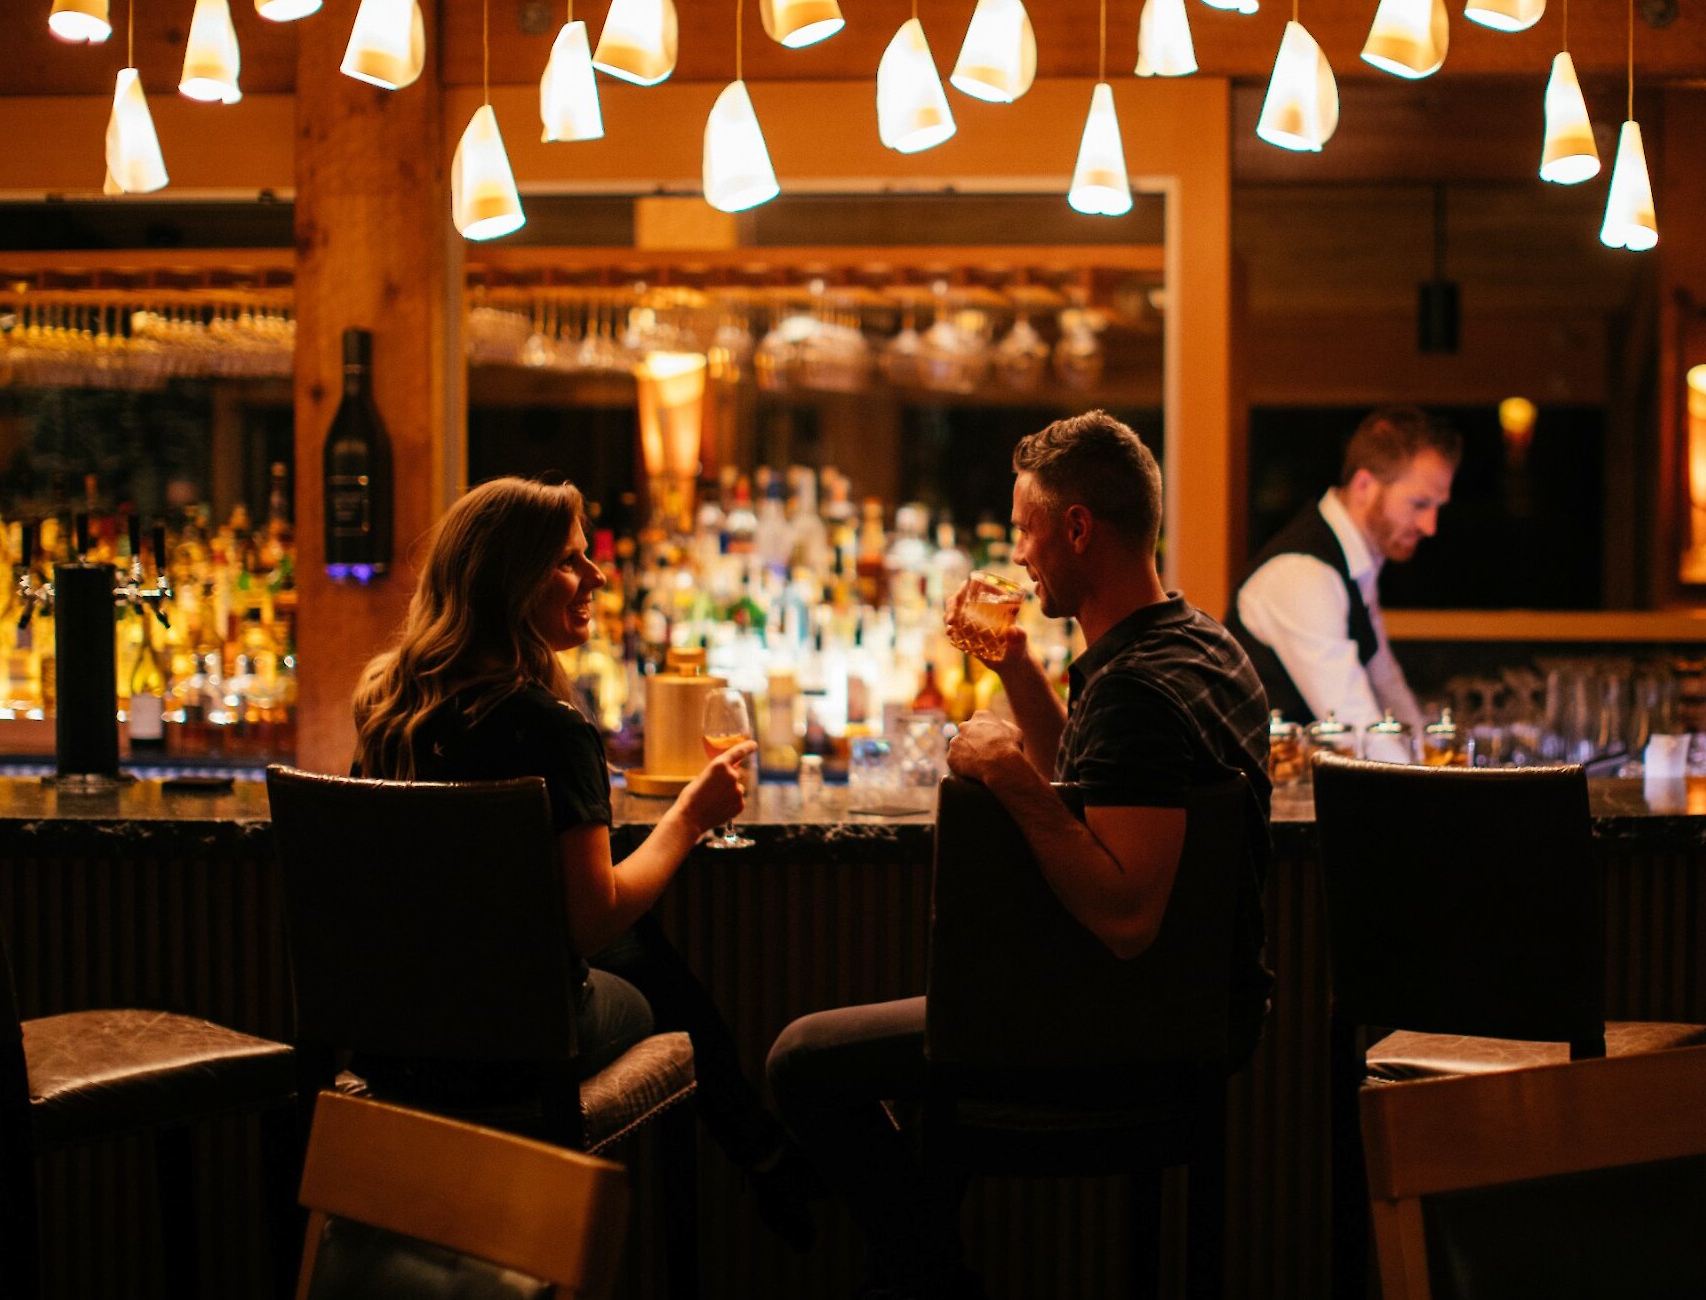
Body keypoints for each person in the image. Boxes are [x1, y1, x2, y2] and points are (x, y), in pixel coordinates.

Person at [766, 412, 1272, 1300]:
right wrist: (1018, 673)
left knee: (799, 1061)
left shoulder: (1138, 690)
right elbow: (1102, 789)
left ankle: (932, 1278)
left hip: (1131, 1020)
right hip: (1187, 1006)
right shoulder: (1193, 643)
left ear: (1078, 527)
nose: (1020, 550)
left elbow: (1125, 912)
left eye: (1027, 526)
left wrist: (1005, 773)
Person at [348, 474, 816, 1247]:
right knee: (654, 985)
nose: (597, 575)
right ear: (512, 582)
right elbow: (592, 921)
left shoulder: (387, 708)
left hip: (396, 1041)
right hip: (516, 1048)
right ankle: (759, 1153)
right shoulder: (548, 728)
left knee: (645, 947)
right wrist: (692, 817)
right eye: (571, 561)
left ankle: (764, 1153)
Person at [1227, 406, 1460, 754]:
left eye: (1437, 507)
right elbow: (1357, 729)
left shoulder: (1358, 559)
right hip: (1267, 796)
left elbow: (1385, 681)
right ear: (1365, 485)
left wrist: (1429, 756)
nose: (1430, 526)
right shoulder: (1303, 573)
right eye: (1419, 504)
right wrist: (1429, 793)